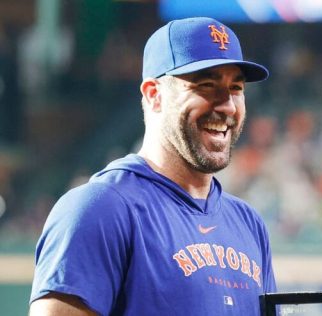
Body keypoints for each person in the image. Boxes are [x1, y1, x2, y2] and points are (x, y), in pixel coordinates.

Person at [29, 17, 277, 315]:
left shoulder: (248, 223)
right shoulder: (99, 209)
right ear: (154, 95)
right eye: (207, 85)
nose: (227, 105)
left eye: (236, 88)